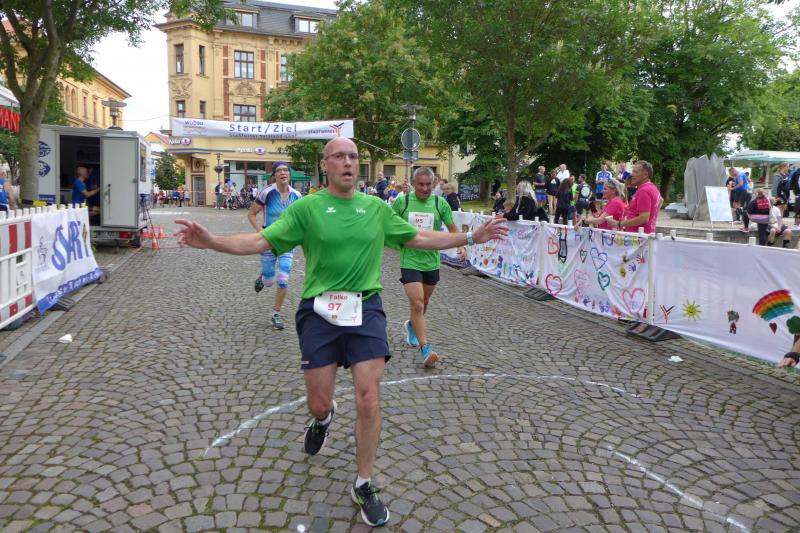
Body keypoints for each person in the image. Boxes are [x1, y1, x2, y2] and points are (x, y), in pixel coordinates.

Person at [174, 137, 507, 527]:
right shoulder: (307, 209)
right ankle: (323, 418)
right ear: (325, 165)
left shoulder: (376, 208)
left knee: (369, 398)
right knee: (318, 403)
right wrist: (211, 241)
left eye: (353, 156)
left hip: (366, 308)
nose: (348, 162)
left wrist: (470, 237)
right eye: (339, 156)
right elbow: (262, 240)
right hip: (319, 312)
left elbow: (417, 238)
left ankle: (364, 483)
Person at [393, 167, 463, 367]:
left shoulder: (440, 203)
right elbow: (388, 224)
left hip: (431, 261)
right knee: (417, 303)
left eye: (428, 185)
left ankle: (412, 325)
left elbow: (452, 228)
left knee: (424, 302)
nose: (424, 188)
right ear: (413, 184)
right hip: (410, 260)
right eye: (420, 184)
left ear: (434, 184)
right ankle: (426, 348)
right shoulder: (403, 202)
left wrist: (461, 245)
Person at [248, 161, 302, 330]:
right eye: (279, 171)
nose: (283, 173)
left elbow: (301, 220)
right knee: (270, 281)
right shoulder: (267, 193)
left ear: (289, 174)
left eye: (286, 170)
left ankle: (275, 314)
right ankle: (263, 277)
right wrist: (261, 233)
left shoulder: (297, 196)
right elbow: (251, 214)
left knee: (283, 279)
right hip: (268, 242)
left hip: (287, 243)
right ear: (274, 175)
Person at [608, 161, 661, 234]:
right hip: (646, 233)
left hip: (638, 236)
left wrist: (619, 224)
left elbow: (644, 218)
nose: (632, 175)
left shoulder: (644, 191)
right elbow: (661, 200)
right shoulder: (653, 187)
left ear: (645, 175)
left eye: (635, 172)